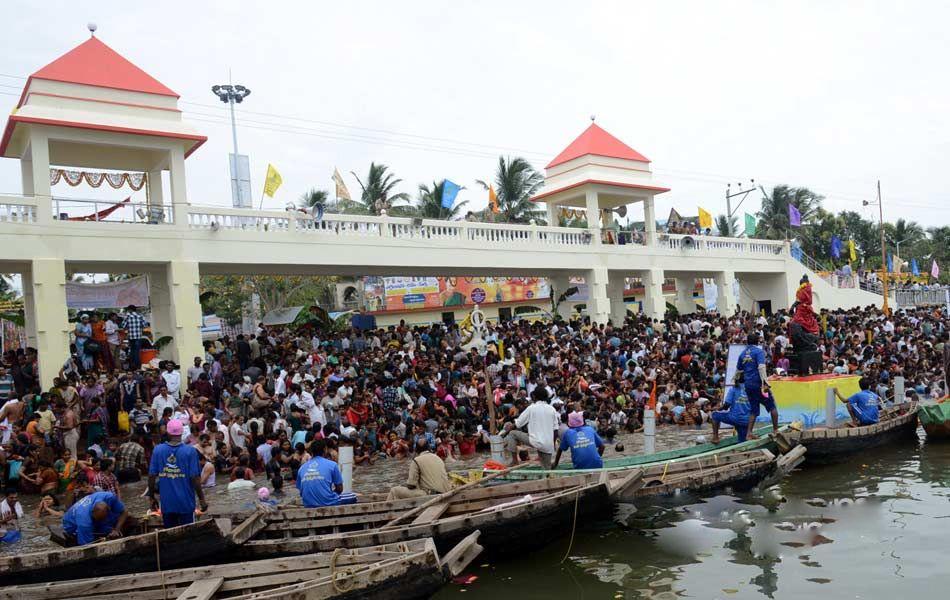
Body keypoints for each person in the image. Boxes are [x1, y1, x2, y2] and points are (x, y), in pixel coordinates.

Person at [147, 419, 208, 528]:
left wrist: (151, 497)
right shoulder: (191, 451)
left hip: (167, 505)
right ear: (181, 433)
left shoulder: (158, 450)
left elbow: (151, 476)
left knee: (170, 534)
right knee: (188, 535)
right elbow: (195, 478)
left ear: (168, 432)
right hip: (186, 504)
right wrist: (202, 499)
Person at [734, 333, 778, 439]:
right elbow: (761, 367)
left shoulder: (742, 354)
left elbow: (739, 370)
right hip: (759, 385)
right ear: (757, 341)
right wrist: (765, 382)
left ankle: (749, 433)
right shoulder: (758, 352)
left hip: (748, 385)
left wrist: (735, 380)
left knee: (753, 410)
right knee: (772, 406)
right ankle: (776, 430)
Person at [502, 387, 559, 468]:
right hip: (548, 445)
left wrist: (508, 430)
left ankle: (514, 461)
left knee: (512, 434)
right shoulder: (552, 409)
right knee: (547, 468)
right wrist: (552, 446)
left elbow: (518, 424)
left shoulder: (531, 408)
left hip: (534, 441)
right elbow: (555, 431)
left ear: (534, 397)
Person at [296, 438, 356, 507]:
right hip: (328, 502)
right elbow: (340, 489)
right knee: (352, 496)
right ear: (325, 449)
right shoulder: (332, 464)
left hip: (308, 504)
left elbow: (301, 492)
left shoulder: (302, 468)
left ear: (311, 451)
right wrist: (329, 494)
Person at [61, 491, 129, 546]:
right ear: (92, 512)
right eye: (98, 519)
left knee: (128, 520)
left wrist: (117, 529)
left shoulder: (109, 497)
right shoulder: (84, 522)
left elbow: (124, 512)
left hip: (92, 518)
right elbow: (87, 547)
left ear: (108, 508)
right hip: (70, 524)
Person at [711, 373, 751, 443]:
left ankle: (715, 438)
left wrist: (719, 408)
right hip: (747, 421)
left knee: (714, 415)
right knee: (742, 441)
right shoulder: (751, 389)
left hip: (734, 418)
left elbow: (726, 406)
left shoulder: (733, 389)